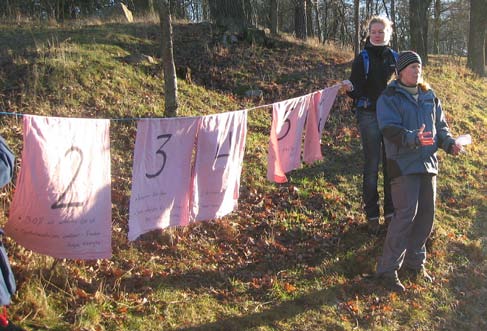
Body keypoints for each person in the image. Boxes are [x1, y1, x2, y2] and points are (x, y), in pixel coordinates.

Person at [375, 51, 463, 292]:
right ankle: (387, 269)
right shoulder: (389, 96)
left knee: (426, 214)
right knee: (405, 215)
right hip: (403, 164)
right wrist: (413, 138)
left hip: (428, 164)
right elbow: (389, 128)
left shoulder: (429, 96)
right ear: (400, 71)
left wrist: (450, 143)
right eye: (412, 67)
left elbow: (441, 129)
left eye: (419, 67)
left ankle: (415, 264)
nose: (417, 70)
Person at [342, 16, 397, 234]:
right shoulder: (361, 58)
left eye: (381, 31)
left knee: (391, 165)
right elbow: (356, 90)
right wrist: (349, 88)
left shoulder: (395, 58)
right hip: (369, 116)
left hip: (392, 118)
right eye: (373, 31)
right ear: (369, 33)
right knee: (372, 165)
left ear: (388, 33)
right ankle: (372, 215)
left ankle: (391, 214)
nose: (377, 34)